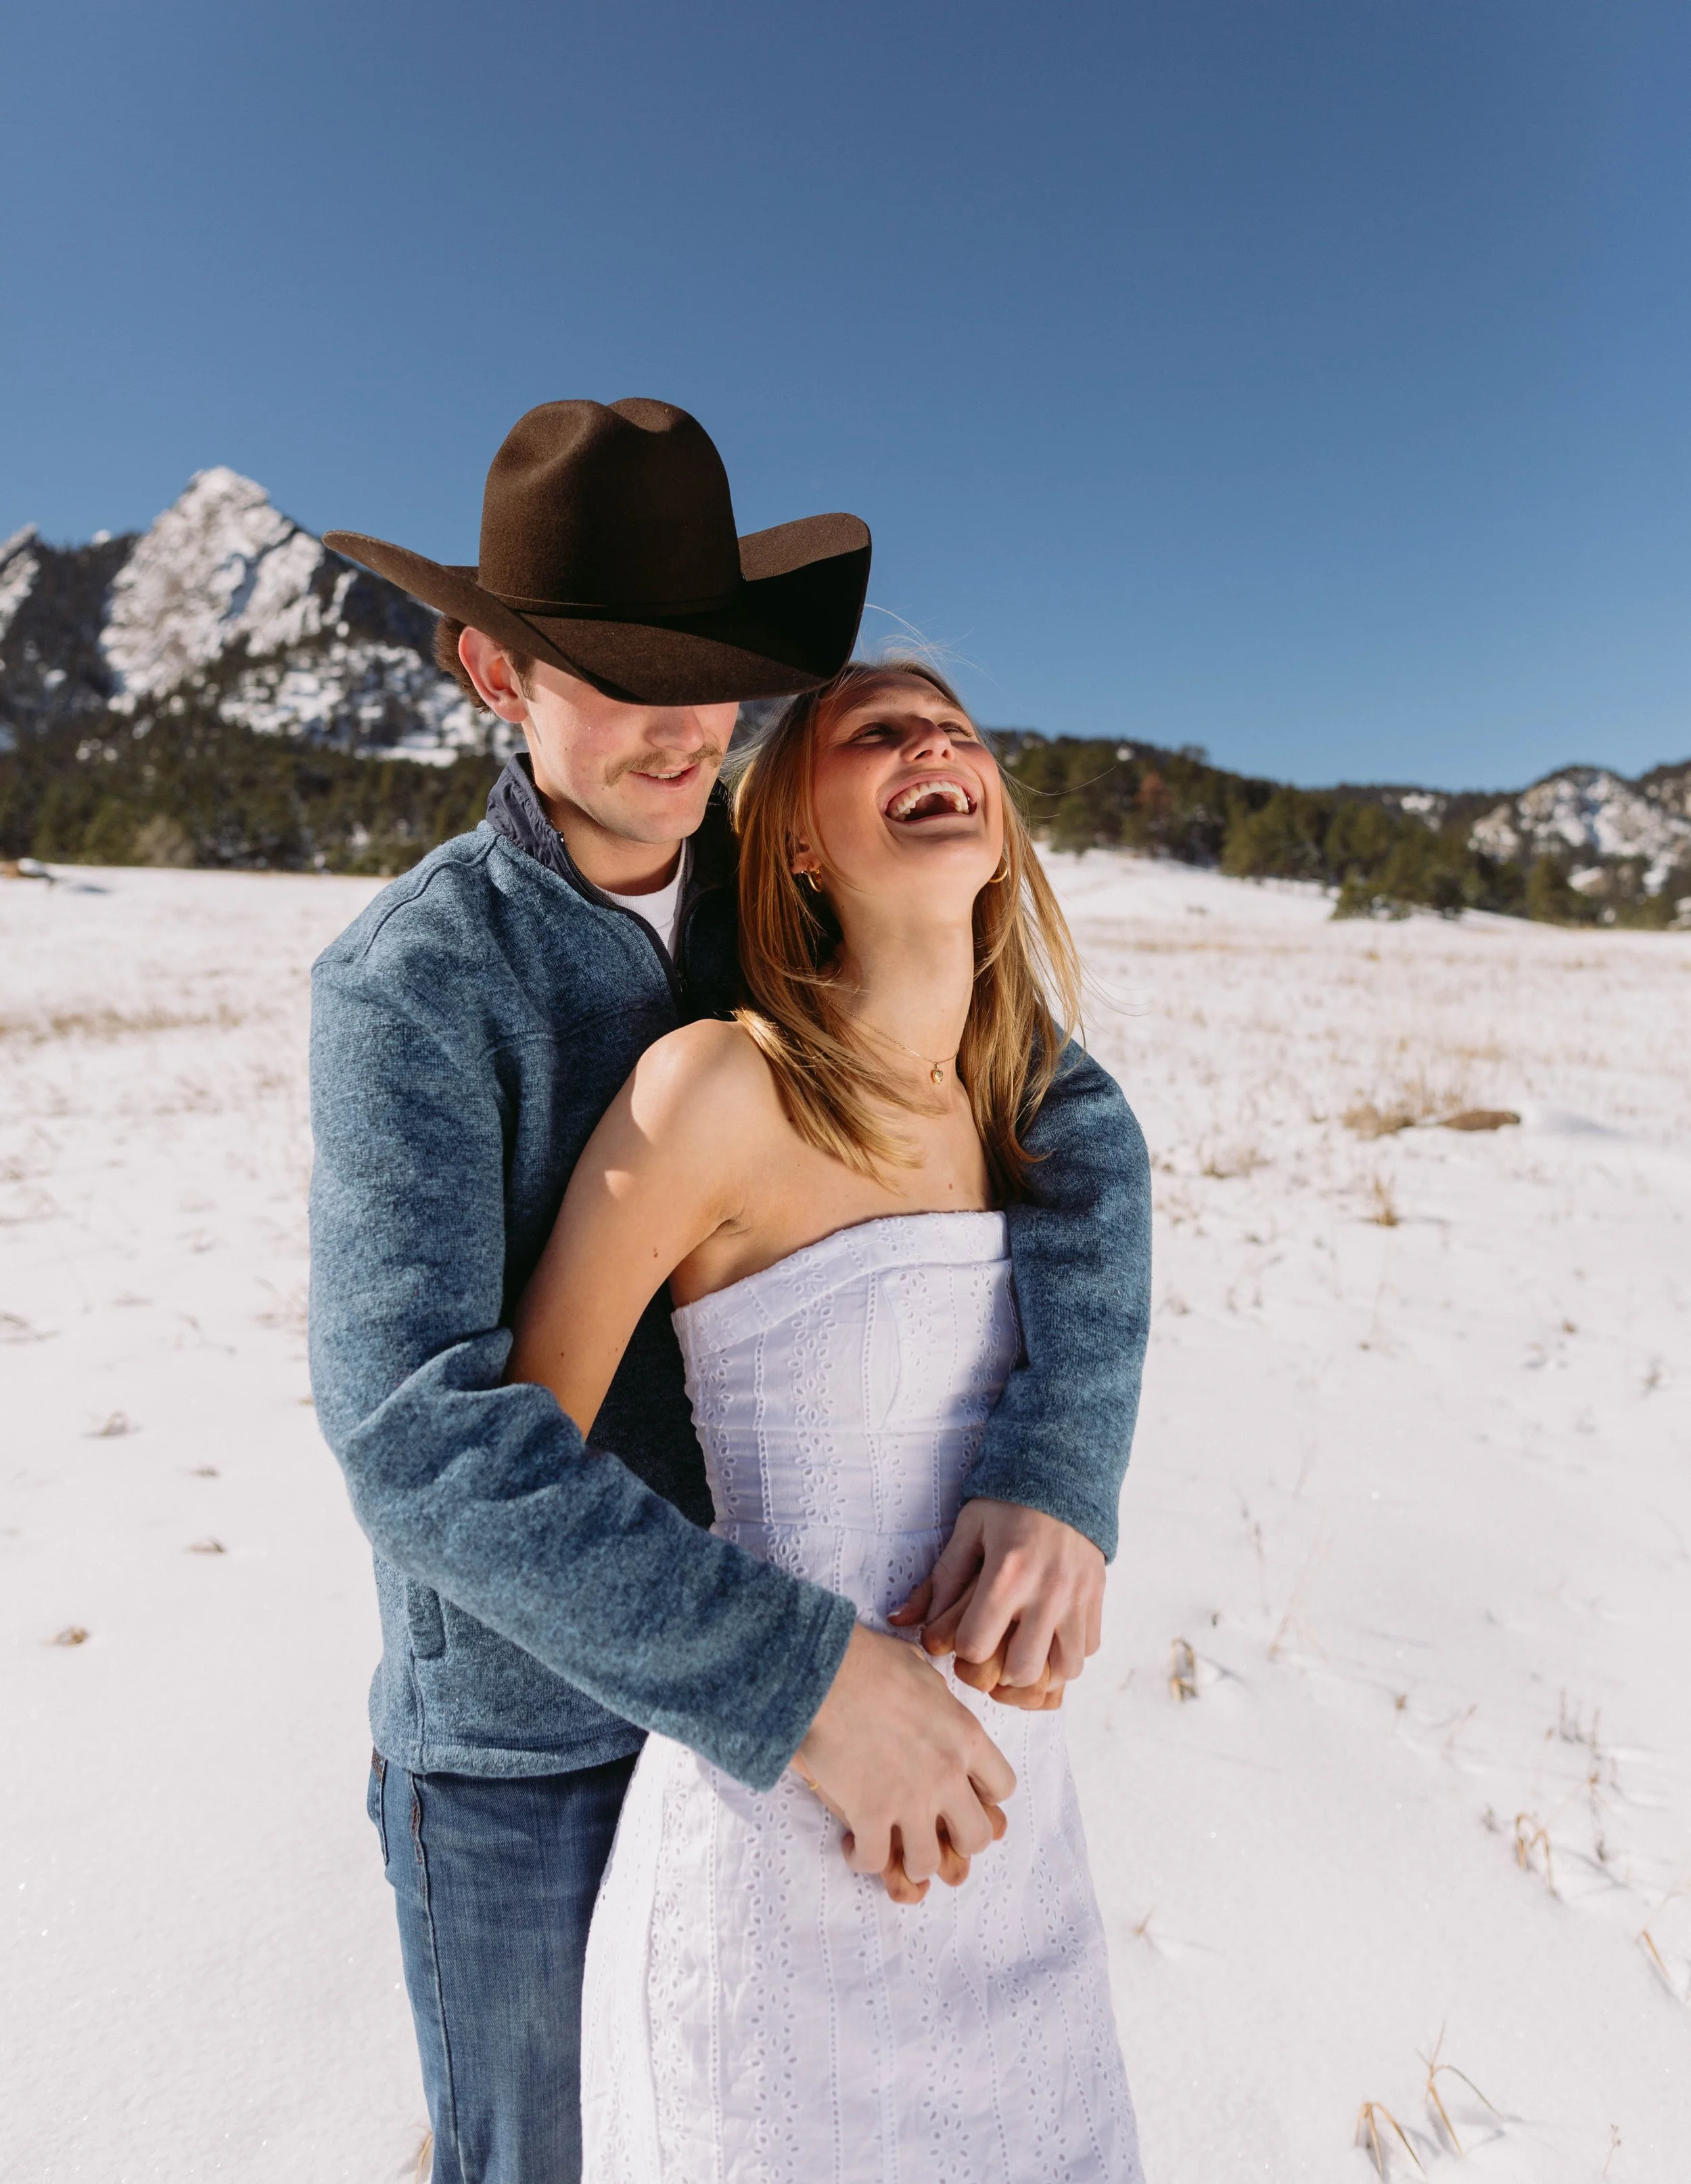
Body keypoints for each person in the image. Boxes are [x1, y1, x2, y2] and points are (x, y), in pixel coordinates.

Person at [309, 398, 1151, 2184]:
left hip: (820, 1734)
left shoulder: (776, 904)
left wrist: (1059, 1458)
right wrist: (798, 1684)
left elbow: (1064, 1119)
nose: (683, 722)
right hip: (540, 1749)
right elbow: (418, 1438)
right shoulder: (416, 983)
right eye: (621, 675)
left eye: (708, 674)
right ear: (494, 674)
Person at [508, 659, 1144, 2179]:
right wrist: (787, 1687)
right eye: (878, 733)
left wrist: (1069, 1487)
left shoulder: (1046, 1131)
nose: (935, 744)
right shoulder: (716, 1087)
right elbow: (522, 1468)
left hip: (1012, 1855)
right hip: (770, 1847)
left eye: (957, 731)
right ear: (794, 839)